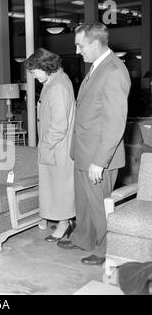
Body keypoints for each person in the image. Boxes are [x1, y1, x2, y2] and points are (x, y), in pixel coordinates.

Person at [57, 22, 131, 266]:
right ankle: (84, 238)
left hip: (99, 156)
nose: (78, 51)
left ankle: (105, 249)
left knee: (100, 205)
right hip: (84, 150)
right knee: (84, 203)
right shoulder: (97, 67)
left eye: (80, 45)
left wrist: (100, 161)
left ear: (96, 43)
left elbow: (114, 122)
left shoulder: (114, 71)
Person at [25, 48, 76, 241]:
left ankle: (64, 223)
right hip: (56, 146)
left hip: (57, 147)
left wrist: (44, 145)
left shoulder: (57, 87)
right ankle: (64, 220)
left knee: (59, 186)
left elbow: (59, 125)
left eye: (34, 71)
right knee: (56, 186)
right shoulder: (56, 82)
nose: (33, 75)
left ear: (45, 66)